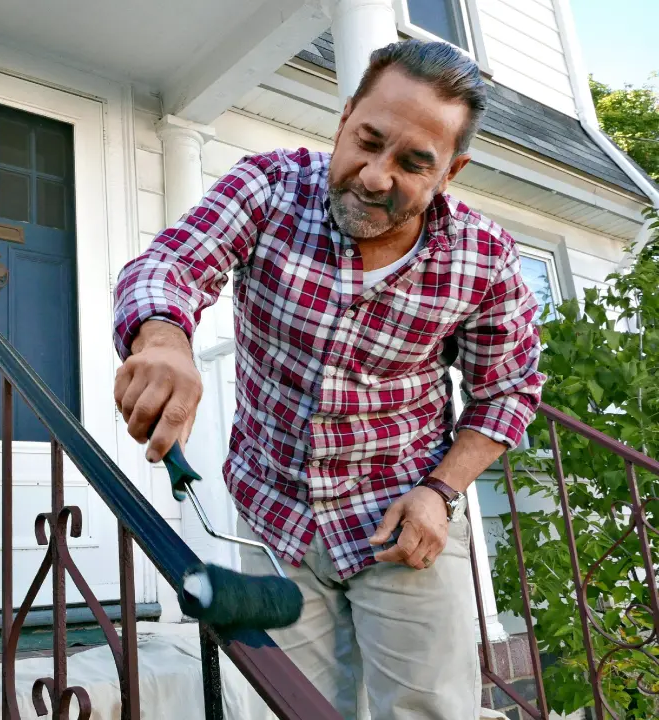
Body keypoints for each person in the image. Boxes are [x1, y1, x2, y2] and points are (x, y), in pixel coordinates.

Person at [113, 39, 544, 720]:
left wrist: (441, 491)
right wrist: (165, 339)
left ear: (449, 173)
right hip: (273, 513)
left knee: (430, 711)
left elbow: (509, 390)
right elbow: (169, 265)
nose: (374, 177)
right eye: (366, 142)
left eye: (412, 163)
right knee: (298, 710)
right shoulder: (268, 187)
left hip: (403, 520)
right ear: (343, 120)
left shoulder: (483, 258)